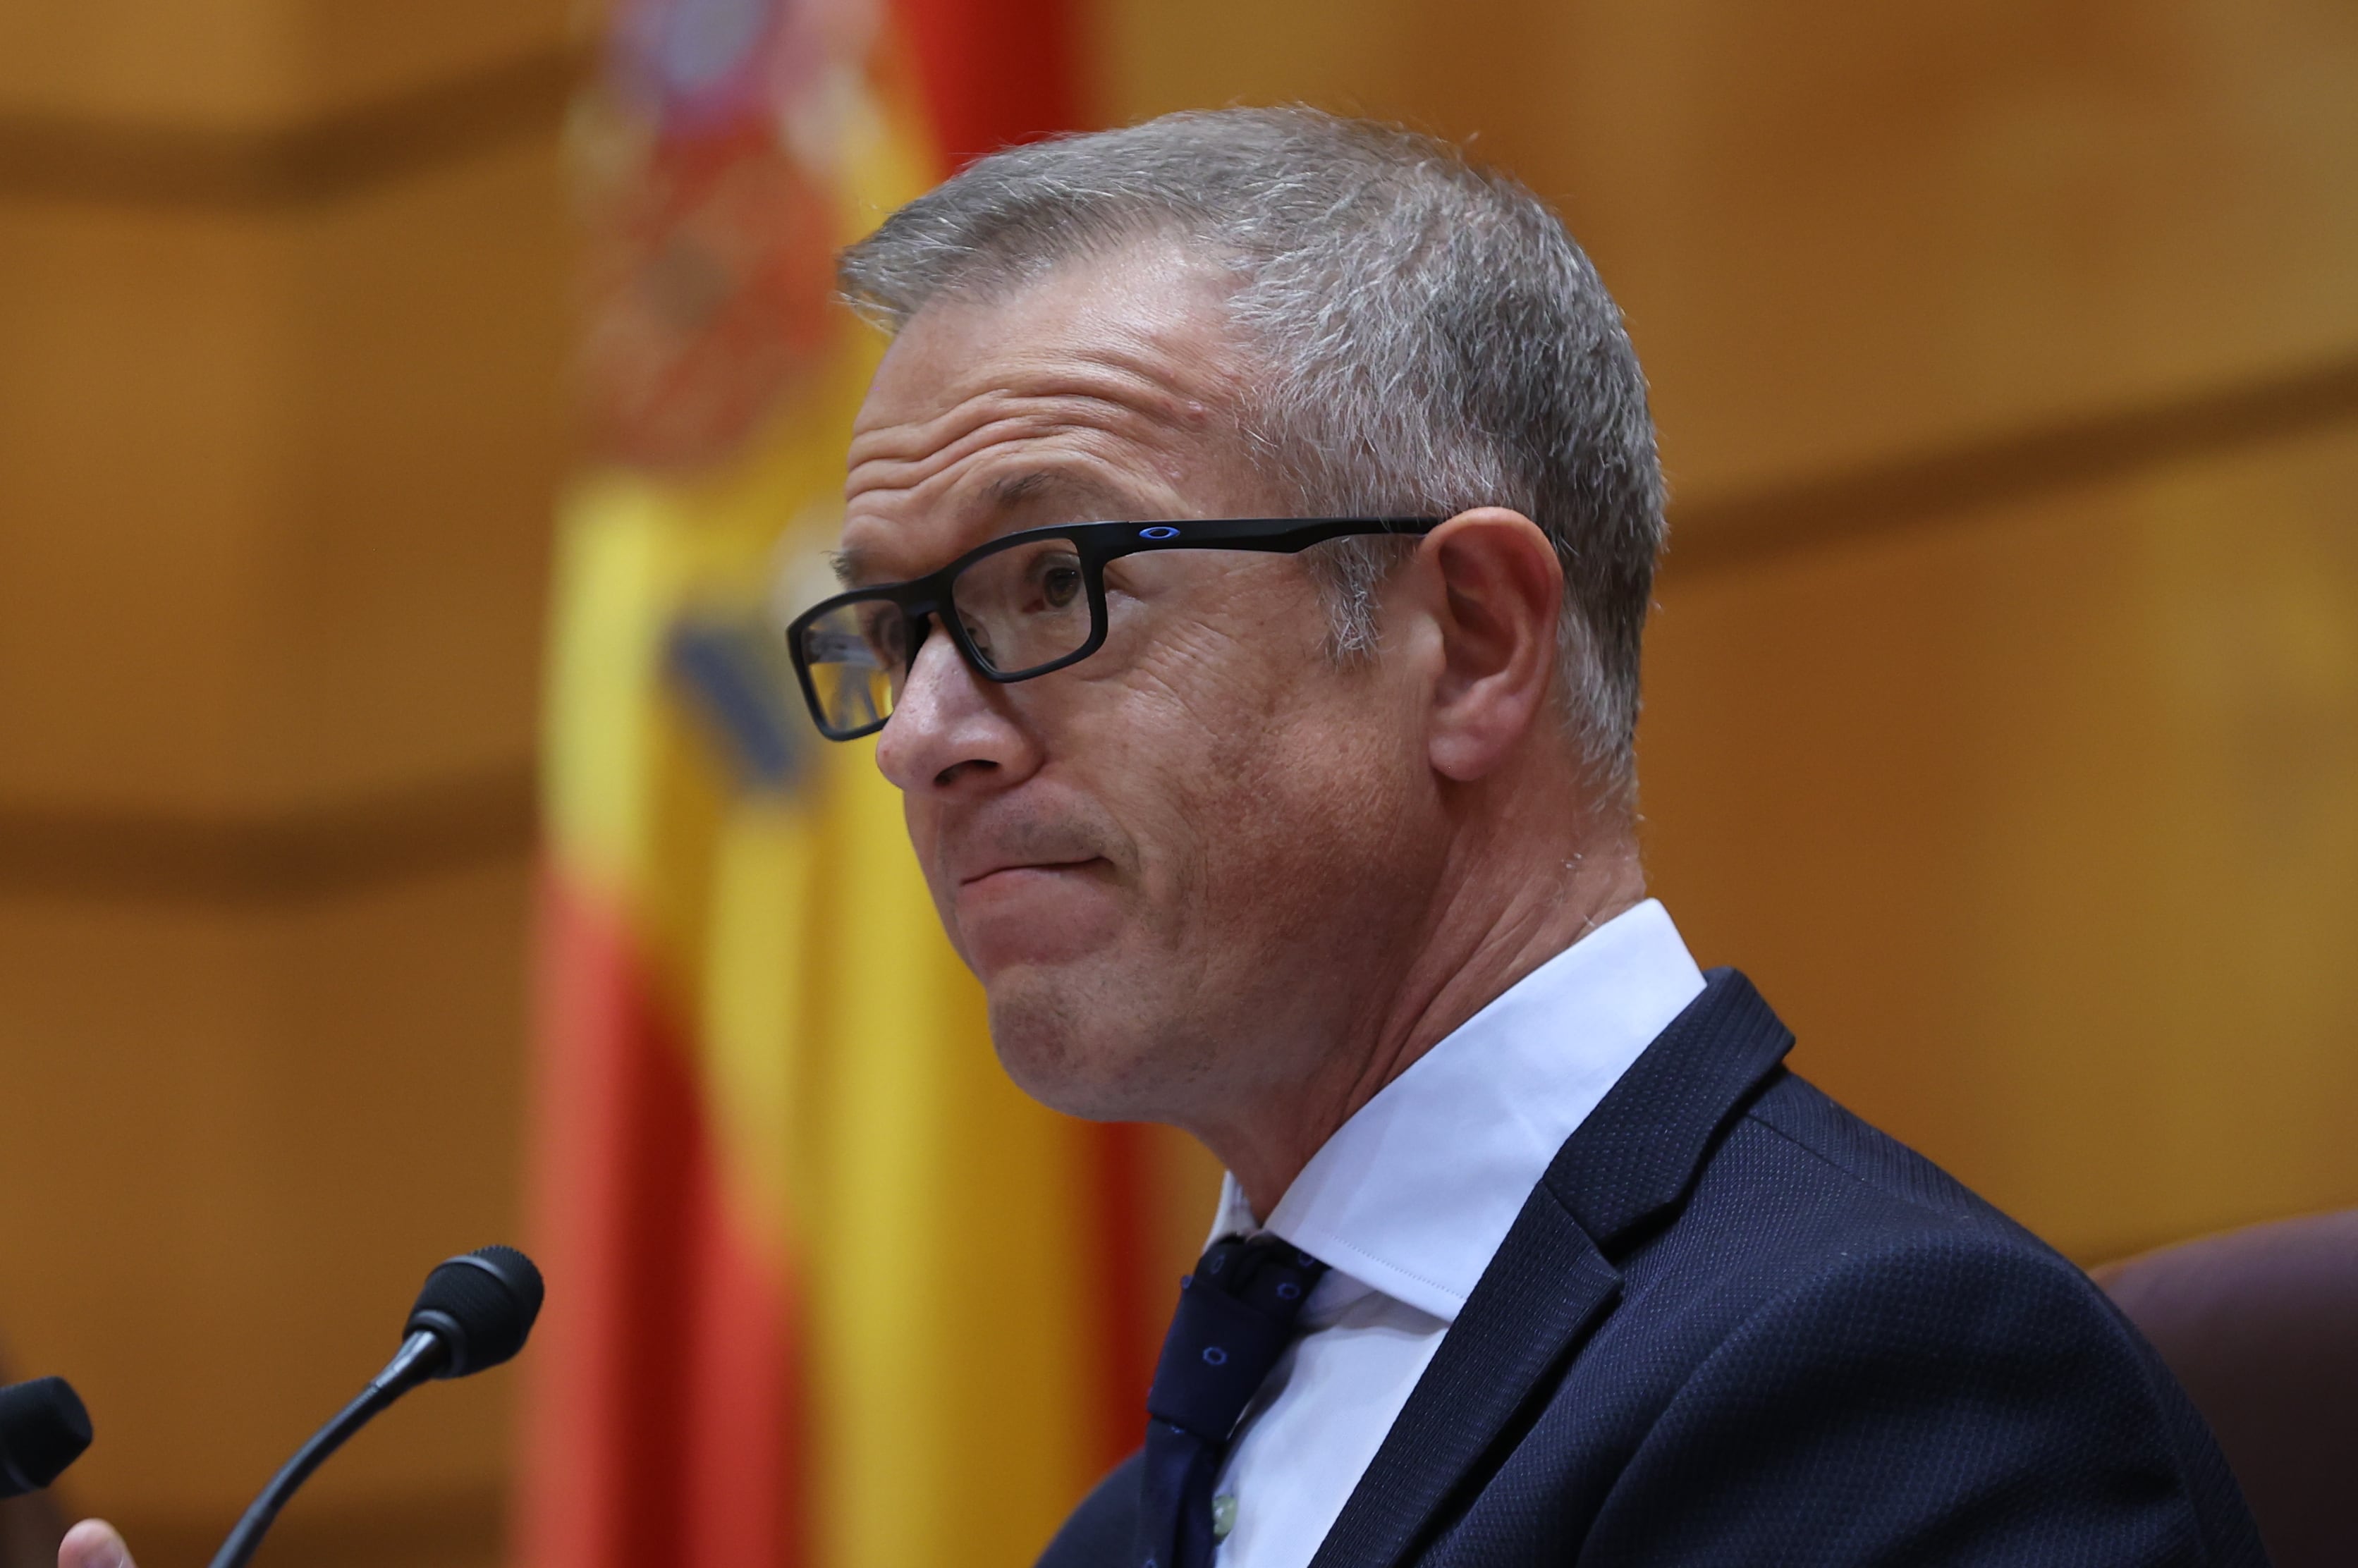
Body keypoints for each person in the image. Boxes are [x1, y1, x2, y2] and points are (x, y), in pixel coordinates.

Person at [59, 106, 2264, 1568]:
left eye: (1045, 589)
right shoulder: (1139, 1523)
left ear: (1471, 639)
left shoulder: (1879, 1383)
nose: (925, 734)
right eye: (891, 628)